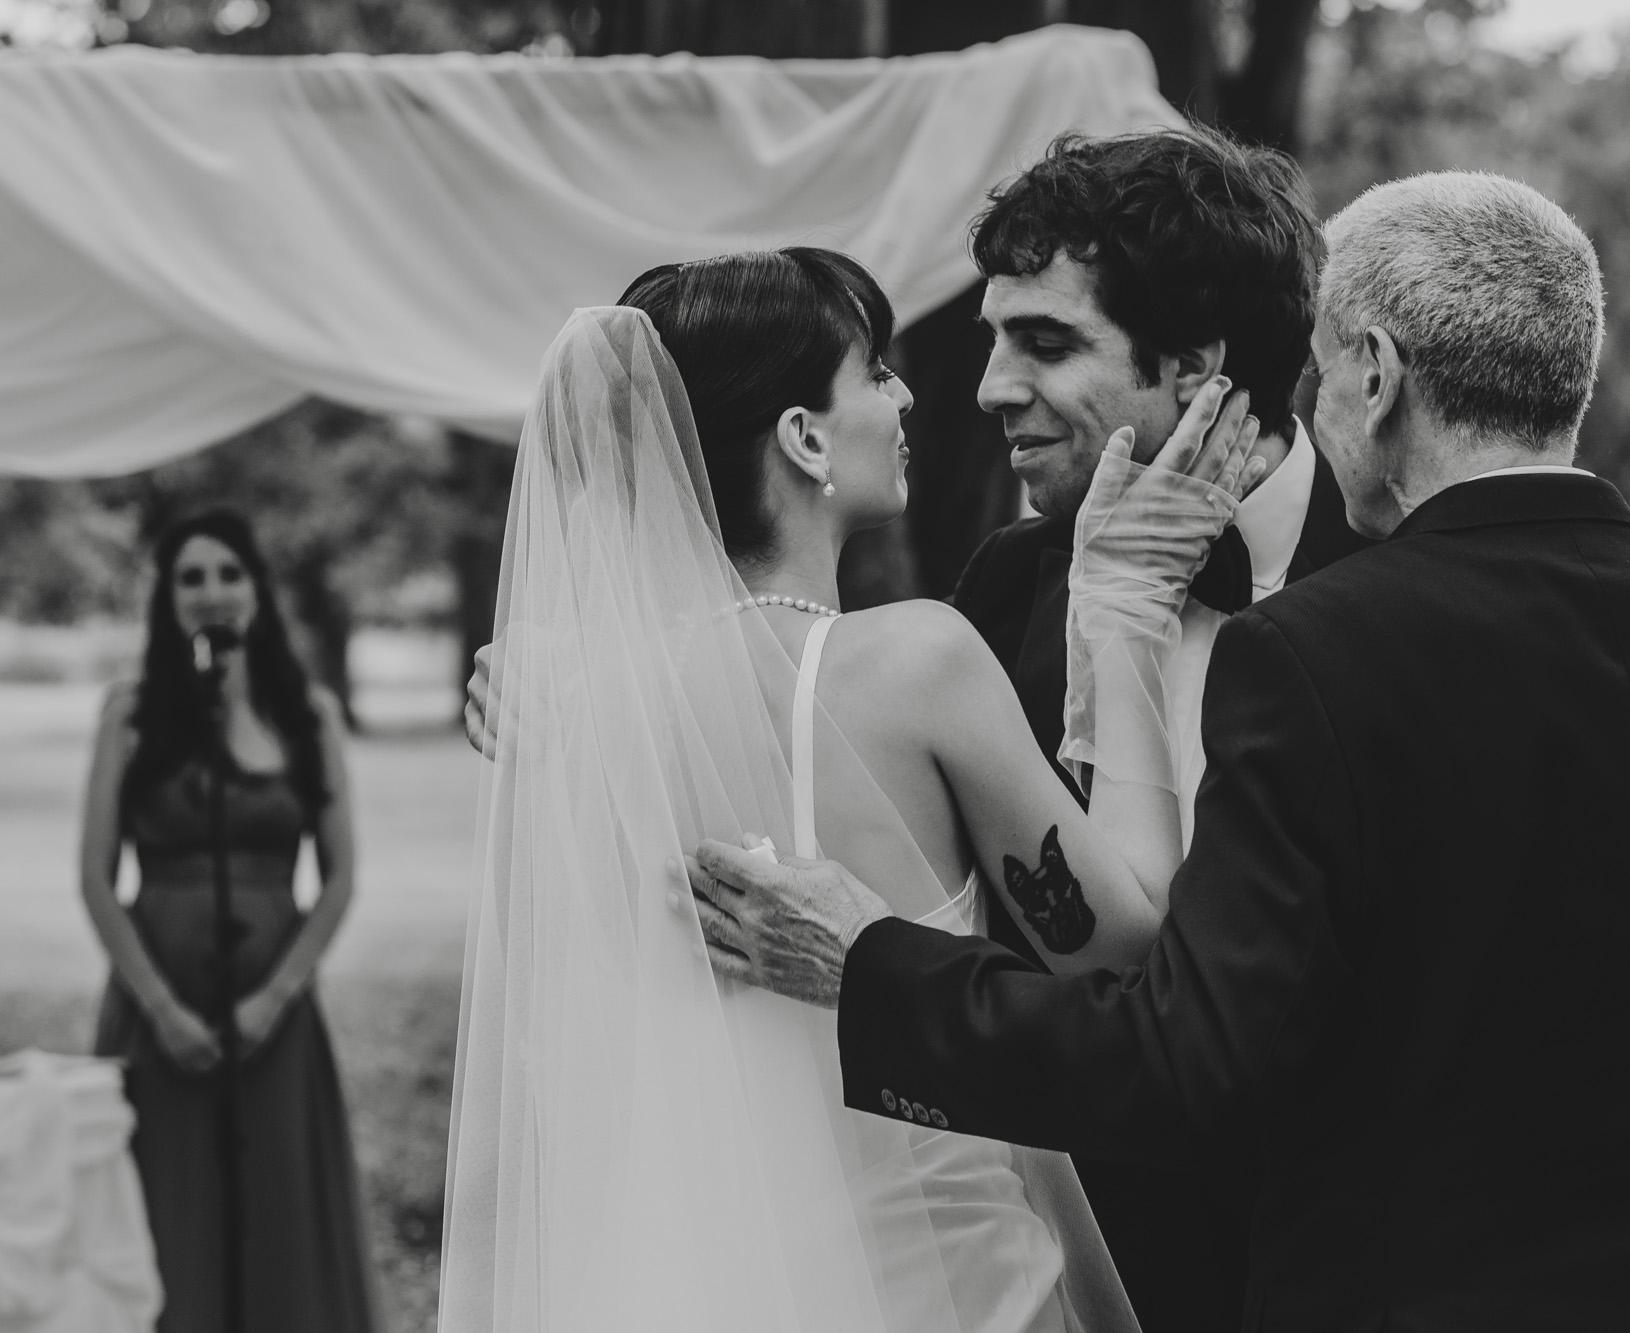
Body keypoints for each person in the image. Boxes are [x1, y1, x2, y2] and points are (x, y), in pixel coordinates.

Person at [690, 172, 1630, 1331]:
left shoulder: (1321, 646)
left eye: (1045, 340)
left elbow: (1187, 1060)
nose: (986, 388)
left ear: (1371, 373)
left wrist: (873, 972)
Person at [439, 250, 1261, 1332]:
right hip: (949, 1289)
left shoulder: (577, 714)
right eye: (873, 371)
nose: (907, 395)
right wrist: (1122, 618)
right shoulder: (914, 662)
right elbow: (1126, 940)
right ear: (804, 438)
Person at [949, 127, 1376, 1331]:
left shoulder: (1403, 592)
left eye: (1044, 342)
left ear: (1193, 365)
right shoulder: (1008, 584)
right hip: (1081, 1263)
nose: (990, 386)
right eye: (993, 339)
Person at [79, 508, 382, 1333]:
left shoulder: (306, 713)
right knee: (164, 1216)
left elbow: (341, 876)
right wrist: (162, 1010)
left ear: (256, 588)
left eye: (228, 572)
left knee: (277, 1218)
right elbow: (96, 880)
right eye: (191, 577)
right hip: (157, 1013)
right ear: (167, 598)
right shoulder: (130, 711)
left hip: (272, 1019)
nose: (211, 592)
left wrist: (274, 997)